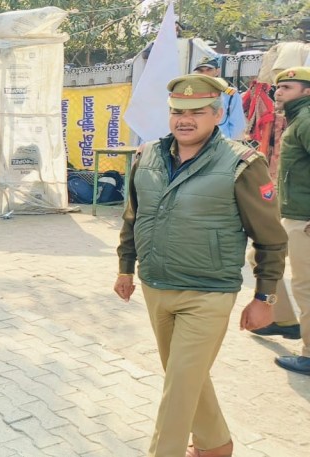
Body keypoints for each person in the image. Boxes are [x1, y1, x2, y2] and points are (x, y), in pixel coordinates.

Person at [113, 74, 287, 457]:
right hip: (156, 286)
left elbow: (271, 237)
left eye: (197, 111)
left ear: (217, 114)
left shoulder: (242, 164)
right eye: (178, 112)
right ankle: (215, 445)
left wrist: (265, 296)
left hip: (208, 293)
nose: (185, 120)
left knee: (178, 388)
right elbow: (133, 217)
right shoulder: (146, 156)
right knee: (185, 378)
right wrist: (126, 267)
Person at [270, 67, 310, 376]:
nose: (279, 92)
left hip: (305, 219)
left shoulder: (306, 120)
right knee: (262, 258)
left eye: (287, 87)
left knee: (305, 286)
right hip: (292, 214)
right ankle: (283, 320)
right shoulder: (297, 119)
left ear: (307, 92)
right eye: (278, 87)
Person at [192, 56, 247, 141]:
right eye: (201, 71)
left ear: (217, 71)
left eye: (209, 70)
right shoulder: (191, 93)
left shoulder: (229, 94)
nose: (205, 74)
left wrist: (231, 144)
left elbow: (237, 124)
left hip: (221, 141)